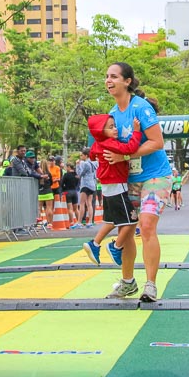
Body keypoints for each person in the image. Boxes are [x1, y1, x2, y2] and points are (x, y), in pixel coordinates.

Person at [100, 62, 169, 302]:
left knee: (147, 225)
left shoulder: (141, 108)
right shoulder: (112, 114)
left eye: (114, 76)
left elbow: (157, 142)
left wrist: (126, 155)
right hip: (127, 179)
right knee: (126, 230)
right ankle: (128, 282)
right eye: (107, 77)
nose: (109, 81)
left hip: (155, 175)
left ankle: (150, 285)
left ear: (127, 81)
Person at [82, 114, 142, 270]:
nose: (115, 129)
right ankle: (116, 246)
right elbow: (130, 148)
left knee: (111, 221)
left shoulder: (97, 145)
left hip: (107, 187)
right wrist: (136, 131)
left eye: (114, 125)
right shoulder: (111, 144)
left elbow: (93, 155)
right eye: (110, 127)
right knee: (132, 220)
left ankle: (94, 244)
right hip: (117, 186)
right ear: (101, 131)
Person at [75, 148, 97, 227]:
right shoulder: (94, 163)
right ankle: (90, 221)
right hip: (92, 185)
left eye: (82, 155)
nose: (81, 157)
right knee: (89, 204)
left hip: (85, 184)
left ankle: (79, 222)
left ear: (86, 155)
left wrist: (77, 165)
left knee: (82, 203)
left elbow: (80, 174)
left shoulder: (84, 163)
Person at [62, 161, 80, 228]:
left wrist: (63, 190)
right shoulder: (76, 175)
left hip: (68, 192)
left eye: (67, 167)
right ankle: (79, 221)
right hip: (75, 191)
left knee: (70, 208)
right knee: (76, 208)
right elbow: (78, 183)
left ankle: (72, 221)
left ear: (69, 167)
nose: (66, 168)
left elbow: (62, 183)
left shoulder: (66, 175)